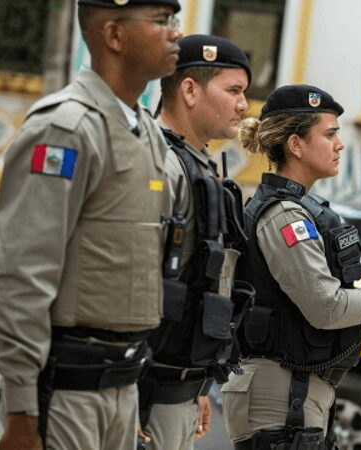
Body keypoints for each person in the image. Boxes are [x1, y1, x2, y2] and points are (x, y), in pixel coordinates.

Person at [0, 1, 182, 449]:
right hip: (66, 392)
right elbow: (20, 275)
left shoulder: (147, 133)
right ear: (114, 35)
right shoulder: (66, 129)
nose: (175, 33)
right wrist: (22, 410)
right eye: (160, 21)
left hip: (122, 386)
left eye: (174, 20)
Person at [221, 84, 361, 449]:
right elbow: (325, 306)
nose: (339, 145)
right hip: (280, 398)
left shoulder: (296, 209)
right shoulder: (285, 216)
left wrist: (357, 327)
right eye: (329, 134)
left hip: (294, 393)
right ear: (296, 145)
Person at [138, 34, 252, 450]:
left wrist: (199, 384)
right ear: (189, 90)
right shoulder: (159, 164)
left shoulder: (198, 164)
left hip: (178, 386)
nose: (244, 105)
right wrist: (129, 396)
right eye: (233, 90)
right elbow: (135, 279)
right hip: (146, 392)